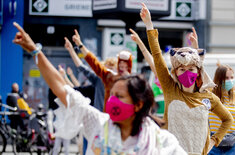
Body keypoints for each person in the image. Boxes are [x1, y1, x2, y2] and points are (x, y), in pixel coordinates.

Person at [12, 22, 186, 155]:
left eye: (120, 96)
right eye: (112, 95)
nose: (112, 100)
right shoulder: (98, 123)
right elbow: (62, 88)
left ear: (139, 104)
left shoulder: (161, 142)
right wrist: (36, 51)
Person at [140, 3, 233, 154]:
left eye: (191, 69)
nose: (186, 73)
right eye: (182, 69)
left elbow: (228, 120)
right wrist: (149, 25)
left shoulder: (208, 97)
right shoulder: (170, 88)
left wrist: (214, 141)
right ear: (176, 72)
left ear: (198, 72)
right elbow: (157, 57)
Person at [71, 30, 132, 112]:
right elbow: (93, 62)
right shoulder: (108, 77)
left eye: (125, 67)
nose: (122, 69)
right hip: (104, 117)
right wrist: (80, 45)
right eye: (120, 66)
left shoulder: (132, 83)